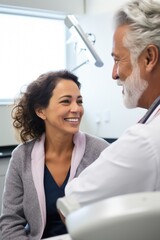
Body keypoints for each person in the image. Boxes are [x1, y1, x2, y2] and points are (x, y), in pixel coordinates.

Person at [57, 0, 160, 210]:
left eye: (117, 59)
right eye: (65, 101)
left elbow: (71, 206)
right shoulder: (22, 156)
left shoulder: (145, 140)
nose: (114, 74)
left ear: (149, 58)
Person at [0, 70, 109, 239]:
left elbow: (112, 213)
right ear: (41, 111)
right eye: (66, 102)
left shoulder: (100, 151)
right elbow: (10, 222)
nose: (76, 109)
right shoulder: (21, 157)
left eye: (79, 102)